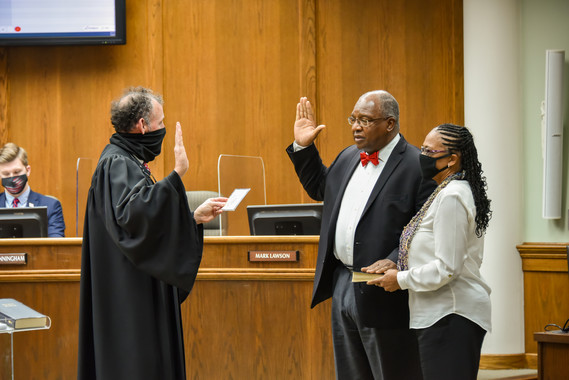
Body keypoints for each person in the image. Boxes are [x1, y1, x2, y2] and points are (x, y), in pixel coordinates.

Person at [77, 87, 227, 380]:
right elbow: (134, 216)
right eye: (160, 123)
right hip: (129, 298)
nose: (162, 129)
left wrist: (193, 217)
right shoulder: (117, 163)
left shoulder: (125, 160)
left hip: (133, 288)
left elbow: (142, 220)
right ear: (143, 125)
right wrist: (176, 175)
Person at [286, 91, 436, 379]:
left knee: (390, 371)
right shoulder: (347, 156)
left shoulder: (418, 165)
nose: (356, 126)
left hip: (383, 285)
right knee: (350, 372)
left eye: (365, 120)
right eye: (353, 119)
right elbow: (320, 188)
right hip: (343, 279)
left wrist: (395, 260)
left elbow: (425, 226)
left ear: (390, 124)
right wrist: (304, 148)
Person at [369, 124, 492, 380]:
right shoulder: (445, 190)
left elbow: (448, 267)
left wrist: (400, 280)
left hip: (451, 313)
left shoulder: (452, 197)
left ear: (452, 159)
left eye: (428, 150)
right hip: (438, 314)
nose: (421, 155)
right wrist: (398, 266)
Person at [0, 142, 65, 237]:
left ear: (28, 170)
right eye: (6, 174)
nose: (12, 178)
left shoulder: (51, 206)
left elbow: (56, 247)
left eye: (17, 172)